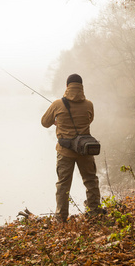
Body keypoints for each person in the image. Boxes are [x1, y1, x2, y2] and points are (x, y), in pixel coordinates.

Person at [41, 74, 102, 223]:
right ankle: (94, 212)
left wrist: (58, 121)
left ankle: (61, 218)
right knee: (91, 181)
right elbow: (89, 120)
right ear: (81, 86)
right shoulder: (89, 104)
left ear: (67, 87)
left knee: (63, 184)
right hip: (85, 150)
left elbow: (44, 122)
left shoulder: (57, 104)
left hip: (65, 152)